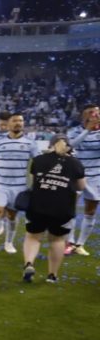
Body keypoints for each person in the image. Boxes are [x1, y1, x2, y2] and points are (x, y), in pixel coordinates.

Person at [23, 135, 86, 283]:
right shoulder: (76, 163)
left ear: (50, 145)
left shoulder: (38, 160)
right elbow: (81, 187)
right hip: (62, 208)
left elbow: (33, 183)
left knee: (33, 237)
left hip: (38, 205)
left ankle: (29, 263)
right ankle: (52, 275)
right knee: (57, 240)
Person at [0, 112, 39, 254]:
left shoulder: (30, 143)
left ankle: (9, 242)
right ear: (9, 124)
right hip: (0, 184)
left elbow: (38, 164)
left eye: (21, 121)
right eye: (15, 121)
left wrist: (35, 184)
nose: (18, 123)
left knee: (12, 215)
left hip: (19, 186)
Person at [66, 104, 100, 256]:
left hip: (96, 175)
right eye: (91, 113)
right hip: (76, 172)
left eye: (97, 113)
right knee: (69, 207)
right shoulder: (74, 130)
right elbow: (70, 146)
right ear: (83, 116)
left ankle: (80, 244)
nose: (95, 115)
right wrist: (87, 130)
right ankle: (70, 242)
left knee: (91, 210)